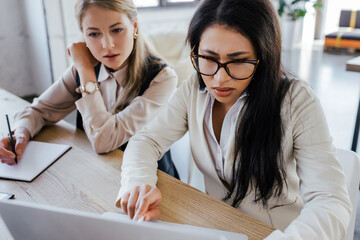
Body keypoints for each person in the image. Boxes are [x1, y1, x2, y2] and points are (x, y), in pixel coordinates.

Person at [115, 0, 352, 239]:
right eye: (208, 58)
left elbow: (330, 199)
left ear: (264, 56)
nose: (219, 79)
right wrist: (138, 183)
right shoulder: (193, 90)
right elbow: (146, 140)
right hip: (216, 228)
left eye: (238, 61)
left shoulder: (296, 100)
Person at [0, 0, 178, 176]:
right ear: (83, 35)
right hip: (97, 172)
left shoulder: (162, 78)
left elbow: (104, 141)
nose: (107, 45)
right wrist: (21, 133)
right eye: (94, 34)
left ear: (135, 27)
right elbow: (39, 110)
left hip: (150, 183)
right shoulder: (83, 68)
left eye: (116, 30)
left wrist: (85, 71)